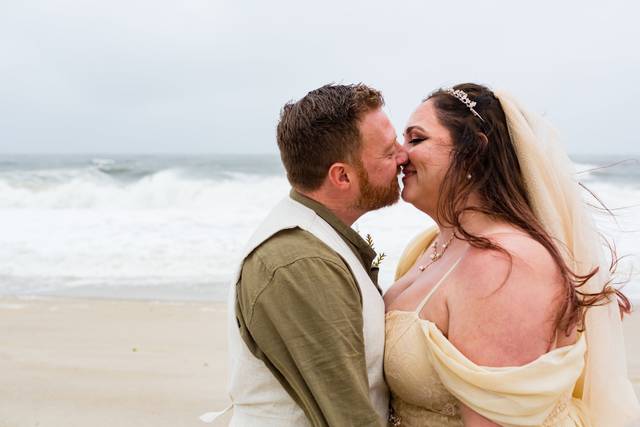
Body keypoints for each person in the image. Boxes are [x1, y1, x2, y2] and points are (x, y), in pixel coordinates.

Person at [383, 83, 640, 426]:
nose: (400, 155)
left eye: (416, 139)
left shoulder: (502, 265)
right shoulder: (427, 246)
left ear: (473, 151)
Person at [224, 83, 407, 426]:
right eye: (387, 151)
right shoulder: (301, 264)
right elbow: (348, 417)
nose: (402, 156)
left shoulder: (320, 239)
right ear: (342, 176)